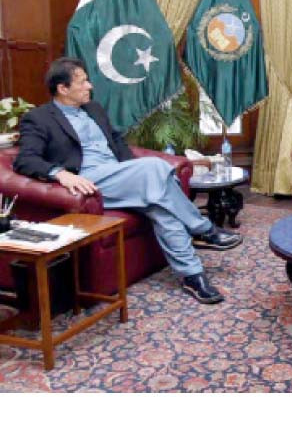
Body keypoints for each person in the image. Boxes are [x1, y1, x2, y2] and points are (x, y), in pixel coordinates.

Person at [13, 57, 242, 305]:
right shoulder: (39, 118)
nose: (89, 86)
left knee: (160, 203)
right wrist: (61, 173)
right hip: (90, 180)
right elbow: (25, 160)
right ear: (63, 88)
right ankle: (203, 229)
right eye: (83, 82)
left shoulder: (94, 109)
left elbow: (118, 142)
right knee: (155, 167)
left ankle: (192, 276)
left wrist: (130, 171)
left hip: (118, 174)